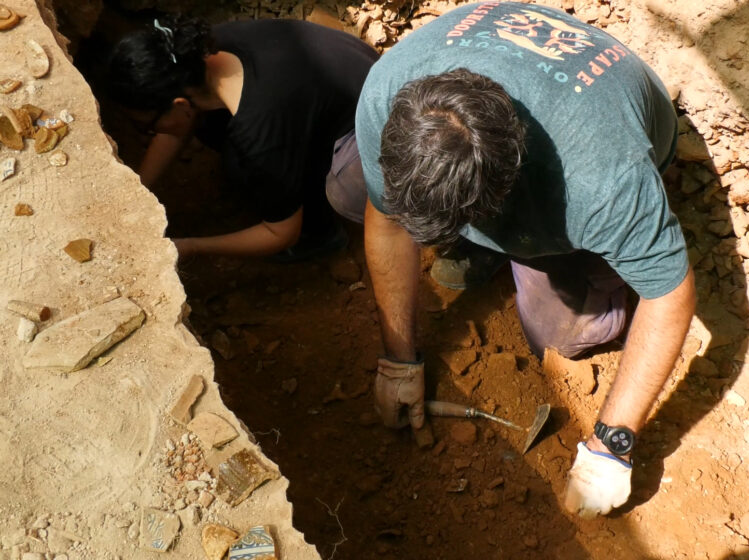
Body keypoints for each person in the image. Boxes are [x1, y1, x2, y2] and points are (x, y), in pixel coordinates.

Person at [352, 2, 696, 518]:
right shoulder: (385, 96)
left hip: (614, 111)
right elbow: (385, 220)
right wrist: (399, 361)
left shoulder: (600, 178)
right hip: (512, 120)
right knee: (344, 192)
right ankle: (486, 246)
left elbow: (669, 292)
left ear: (504, 190)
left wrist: (611, 447)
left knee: (564, 336)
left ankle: (550, 264)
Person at [106, 15, 377, 259]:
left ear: (179, 104)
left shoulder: (260, 133)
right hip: (355, 77)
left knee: (250, 166)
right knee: (221, 137)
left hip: (378, 130)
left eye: (150, 126)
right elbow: (178, 128)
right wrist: (138, 190)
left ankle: (320, 234)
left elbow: (280, 233)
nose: (152, 134)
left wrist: (189, 246)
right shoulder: (194, 53)